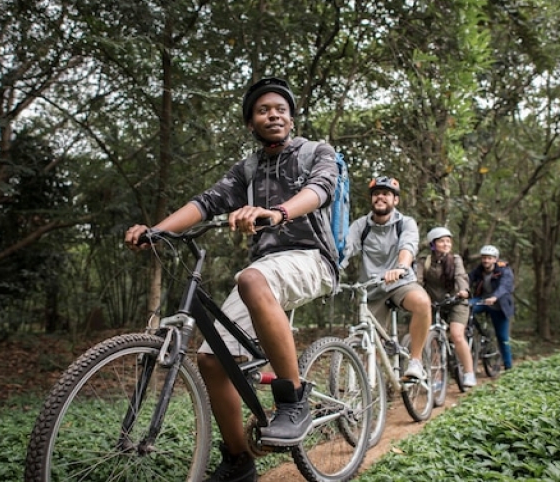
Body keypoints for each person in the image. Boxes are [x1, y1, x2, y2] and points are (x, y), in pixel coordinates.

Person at [125, 77, 339, 482]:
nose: (272, 114)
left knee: (251, 277)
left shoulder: (317, 151)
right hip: (262, 271)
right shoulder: (248, 169)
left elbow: (320, 189)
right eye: (262, 110)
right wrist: (156, 230)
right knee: (211, 360)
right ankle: (240, 461)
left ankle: (293, 402)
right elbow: (205, 203)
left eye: (279, 108)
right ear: (251, 123)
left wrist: (278, 212)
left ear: (291, 118)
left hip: (313, 258)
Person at [340, 176, 431, 381]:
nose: (380, 197)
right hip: (372, 288)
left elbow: (408, 246)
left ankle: (415, 361)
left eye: (386, 193)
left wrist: (400, 267)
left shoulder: (405, 223)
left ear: (395, 200)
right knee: (368, 343)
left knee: (422, 302)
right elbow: (347, 250)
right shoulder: (361, 225)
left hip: (400, 282)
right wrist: (333, 271)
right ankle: (367, 391)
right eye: (376, 193)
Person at [415, 227, 477, 388]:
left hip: (457, 302)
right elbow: (418, 281)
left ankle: (469, 373)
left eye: (448, 241)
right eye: (442, 241)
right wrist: (420, 296)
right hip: (435, 304)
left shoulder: (455, 259)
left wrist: (463, 291)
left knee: (456, 335)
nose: (446, 244)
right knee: (432, 339)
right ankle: (437, 378)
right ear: (433, 244)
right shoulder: (424, 261)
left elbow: (461, 276)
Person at [468, 245, 515, 371]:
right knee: (465, 307)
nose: (486, 261)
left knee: (502, 337)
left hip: (499, 305)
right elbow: (468, 279)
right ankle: (472, 333)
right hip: (482, 300)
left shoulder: (504, 270)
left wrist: (495, 297)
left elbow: (505, 286)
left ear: (495, 259)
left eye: (489, 258)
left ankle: (509, 366)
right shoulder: (479, 270)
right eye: (484, 258)